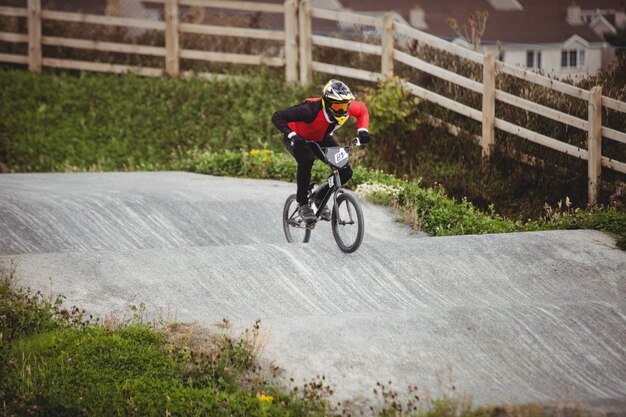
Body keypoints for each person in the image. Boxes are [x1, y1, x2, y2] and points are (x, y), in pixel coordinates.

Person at [272, 79, 372, 224]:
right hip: (297, 138)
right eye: (338, 107)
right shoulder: (309, 110)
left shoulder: (346, 106)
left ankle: (319, 200)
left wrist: (363, 131)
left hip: (321, 138)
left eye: (345, 106)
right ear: (327, 102)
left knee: (345, 171)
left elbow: (362, 110)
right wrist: (292, 135)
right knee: (306, 159)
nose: (343, 110)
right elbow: (278, 116)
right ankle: (302, 204)